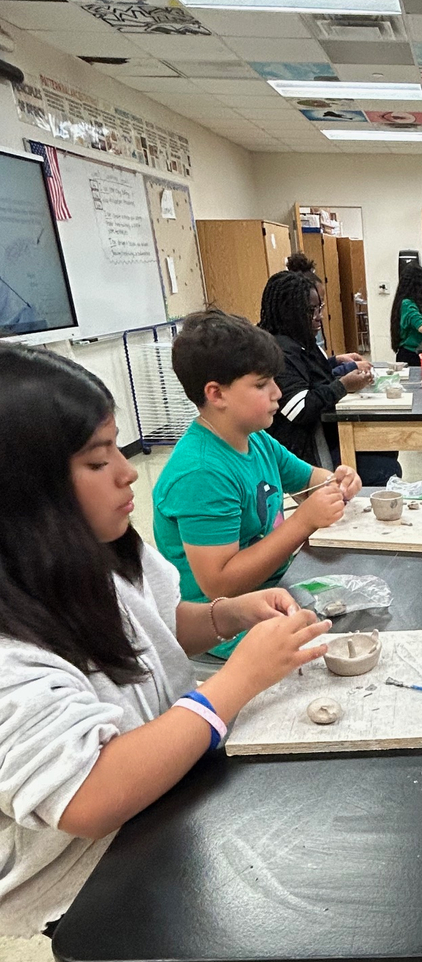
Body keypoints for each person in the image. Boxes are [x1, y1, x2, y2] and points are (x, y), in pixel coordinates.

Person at [0, 345, 334, 937]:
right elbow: (88, 797)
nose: (129, 471)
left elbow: (163, 625)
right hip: (87, 881)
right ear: (22, 490)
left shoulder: (104, 552)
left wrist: (231, 614)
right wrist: (236, 682)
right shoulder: (10, 644)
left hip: (167, 797)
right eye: (99, 461)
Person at [153, 310, 362, 609]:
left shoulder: (255, 439)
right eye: (262, 384)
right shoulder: (201, 473)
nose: (277, 392)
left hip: (274, 588)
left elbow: (310, 480)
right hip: (224, 620)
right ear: (216, 394)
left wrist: (339, 482)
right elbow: (220, 585)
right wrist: (303, 521)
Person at [259, 272, 401, 487]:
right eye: (310, 311)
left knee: (386, 446)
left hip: (325, 434)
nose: (319, 316)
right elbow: (300, 408)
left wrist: (344, 371)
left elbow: (316, 378)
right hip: (308, 449)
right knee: (386, 469)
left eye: (320, 309)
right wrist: (344, 385)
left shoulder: (302, 343)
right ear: (289, 312)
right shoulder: (279, 352)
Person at [284, 251, 367, 373]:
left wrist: (335, 361)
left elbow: (316, 367)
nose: (319, 316)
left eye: (320, 305)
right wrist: (347, 371)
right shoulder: (288, 347)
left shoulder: (309, 332)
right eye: (312, 308)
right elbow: (313, 380)